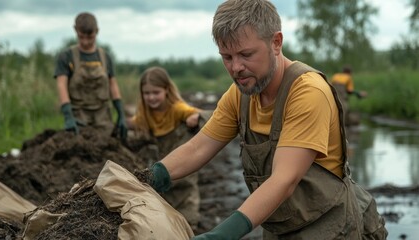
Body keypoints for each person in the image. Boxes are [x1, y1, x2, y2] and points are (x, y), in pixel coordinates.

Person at [142, 0, 388, 239]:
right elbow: (198, 148)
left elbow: (284, 180)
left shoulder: (308, 92)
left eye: (246, 54)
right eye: (226, 57)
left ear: (276, 43)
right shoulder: (240, 95)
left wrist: (220, 235)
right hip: (278, 225)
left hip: (331, 227)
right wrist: (148, 178)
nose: (236, 67)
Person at [129, 66, 206, 230]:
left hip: (183, 161)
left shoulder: (177, 109)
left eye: (156, 92)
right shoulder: (145, 114)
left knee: (186, 199)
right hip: (163, 161)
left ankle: (191, 225)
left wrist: (195, 117)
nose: (151, 97)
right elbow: (135, 123)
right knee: (163, 201)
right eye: (147, 93)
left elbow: (200, 114)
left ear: (166, 90)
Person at [54, 12, 127, 140]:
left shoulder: (105, 57)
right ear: (75, 30)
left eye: (90, 37)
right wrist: (68, 115)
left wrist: (121, 113)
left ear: (97, 31)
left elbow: (113, 85)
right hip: (79, 115)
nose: (85, 42)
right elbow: (61, 85)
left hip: (103, 116)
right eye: (81, 37)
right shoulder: (66, 56)